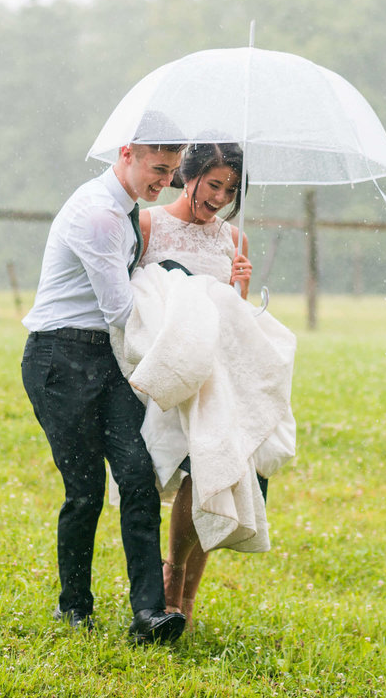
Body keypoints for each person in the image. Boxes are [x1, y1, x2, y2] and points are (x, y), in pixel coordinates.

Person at [20, 134, 189, 644]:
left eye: (171, 171)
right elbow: (120, 308)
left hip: (106, 358)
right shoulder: (97, 214)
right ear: (126, 154)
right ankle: (74, 607)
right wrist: (185, 315)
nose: (165, 181)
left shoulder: (127, 208)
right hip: (58, 359)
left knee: (138, 476)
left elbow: (129, 288)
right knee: (86, 491)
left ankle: (149, 615)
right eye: (157, 169)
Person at [135, 141, 260, 628]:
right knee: (164, 472)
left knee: (212, 469)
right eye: (215, 184)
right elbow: (136, 301)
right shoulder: (148, 225)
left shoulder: (235, 241)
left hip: (217, 377)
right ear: (190, 176)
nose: (221, 197)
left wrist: (240, 290)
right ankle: (163, 579)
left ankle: (182, 588)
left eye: (231, 189)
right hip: (166, 369)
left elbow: (237, 321)